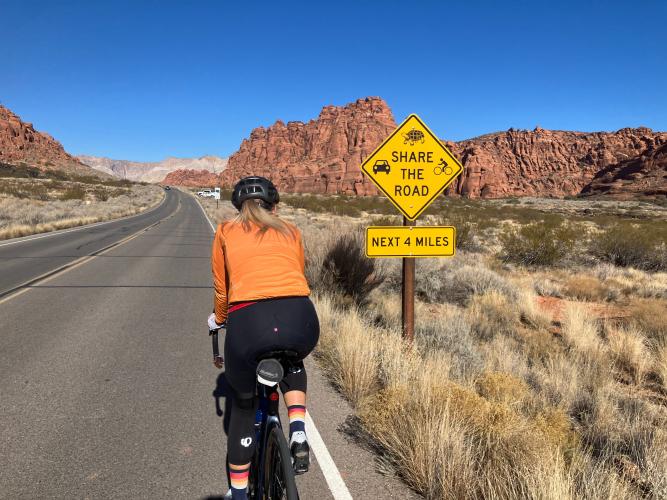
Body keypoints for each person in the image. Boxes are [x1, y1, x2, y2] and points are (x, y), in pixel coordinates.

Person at [207, 176, 319, 500]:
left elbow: (221, 288)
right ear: (275, 204)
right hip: (301, 316)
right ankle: (298, 430)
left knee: (243, 406)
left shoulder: (226, 231)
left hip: (249, 323)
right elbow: (296, 273)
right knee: (292, 357)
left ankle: (239, 494)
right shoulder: (291, 230)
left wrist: (219, 320)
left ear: (239, 206)